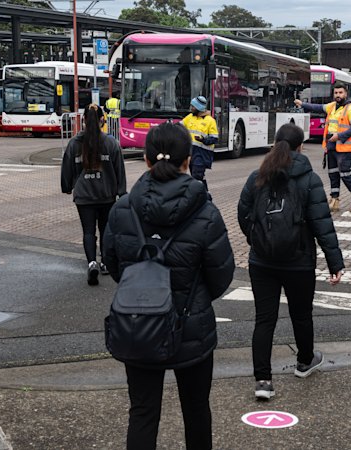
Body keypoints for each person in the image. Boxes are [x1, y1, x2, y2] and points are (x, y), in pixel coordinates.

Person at [102, 122, 235, 450]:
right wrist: (194, 297)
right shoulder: (205, 212)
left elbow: (115, 266)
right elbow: (221, 275)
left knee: (143, 412)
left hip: (138, 325)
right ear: (188, 160)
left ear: (146, 159)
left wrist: (145, 291)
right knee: (196, 410)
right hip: (191, 327)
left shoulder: (122, 209)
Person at [237, 123, 345, 400]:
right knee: (301, 314)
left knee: (264, 319)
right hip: (299, 261)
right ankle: (305, 361)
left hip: (262, 261)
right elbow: (322, 224)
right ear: (300, 147)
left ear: (275, 144)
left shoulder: (257, 176)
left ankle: (263, 380)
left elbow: (243, 213)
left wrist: (256, 240)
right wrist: (335, 263)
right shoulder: (309, 179)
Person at [61, 104, 126, 285]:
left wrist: (67, 186)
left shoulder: (74, 143)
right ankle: (105, 262)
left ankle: (91, 263)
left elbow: (67, 167)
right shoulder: (111, 143)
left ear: (83, 120)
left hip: (84, 196)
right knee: (105, 229)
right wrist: (121, 191)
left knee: (88, 231)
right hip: (106, 194)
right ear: (102, 120)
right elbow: (119, 169)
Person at [294, 83, 351, 213]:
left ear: (345, 94)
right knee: (333, 174)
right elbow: (317, 107)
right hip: (331, 146)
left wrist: (339, 136)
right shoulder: (332, 106)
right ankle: (334, 199)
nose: (338, 95)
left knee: (345, 174)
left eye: (340, 93)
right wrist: (302, 104)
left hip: (344, 147)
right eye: (336, 93)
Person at [182, 96, 219, 191]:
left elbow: (214, 138)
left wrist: (203, 140)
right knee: (198, 177)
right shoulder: (190, 117)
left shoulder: (210, 121)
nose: (191, 108)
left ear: (199, 108)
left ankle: (197, 195)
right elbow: (180, 126)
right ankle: (206, 194)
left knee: (197, 176)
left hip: (202, 154)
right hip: (191, 153)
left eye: (193, 106)